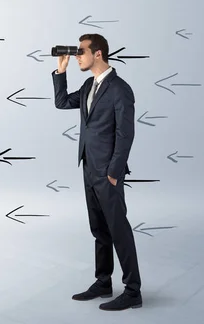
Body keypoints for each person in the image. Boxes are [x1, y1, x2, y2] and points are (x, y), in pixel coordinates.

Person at [51, 33, 142, 311]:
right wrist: (61, 70)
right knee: (99, 229)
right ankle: (103, 282)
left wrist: (114, 172)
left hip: (108, 172)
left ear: (98, 54)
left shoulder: (120, 89)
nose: (78, 55)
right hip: (89, 166)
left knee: (118, 229)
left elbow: (125, 134)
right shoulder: (89, 84)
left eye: (81, 51)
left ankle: (133, 290)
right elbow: (62, 102)